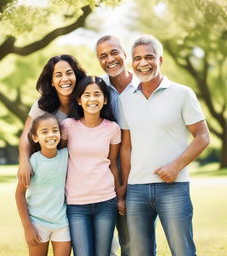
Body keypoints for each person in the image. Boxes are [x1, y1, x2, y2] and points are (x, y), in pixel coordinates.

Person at [119, 34, 210, 256]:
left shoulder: (182, 93)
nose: (143, 63)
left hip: (174, 188)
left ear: (160, 60)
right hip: (136, 190)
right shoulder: (125, 98)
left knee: (183, 252)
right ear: (132, 62)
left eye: (149, 57)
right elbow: (126, 147)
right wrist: (123, 187)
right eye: (137, 58)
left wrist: (175, 166)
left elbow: (202, 137)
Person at [61, 76, 124, 256]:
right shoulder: (68, 127)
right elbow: (61, 162)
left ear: (104, 100)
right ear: (79, 100)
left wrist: (119, 197)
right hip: (76, 204)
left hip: (106, 201)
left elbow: (113, 164)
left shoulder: (112, 128)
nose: (92, 99)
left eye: (97, 94)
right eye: (86, 95)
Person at [17, 55, 86, 187]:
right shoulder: (42, 105)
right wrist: (24, 162)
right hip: (50, 170)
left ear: (76, 76)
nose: (64, 79)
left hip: (79, 174)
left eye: (69, 73)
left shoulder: (86, 101)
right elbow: (26, 134)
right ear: (52, 82)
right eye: (58, 75)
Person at [96, 35, 136, 256]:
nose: (109, 59)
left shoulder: (144, 85)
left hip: (138, 174)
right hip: (104, 175)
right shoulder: (98, 89)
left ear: (124, 55)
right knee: (104, 246)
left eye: (114, 52)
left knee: (134, 244)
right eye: (103, 56)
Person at [15, 113, 71, 256]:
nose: (51, 135)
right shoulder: (32, 162)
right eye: (44, 132)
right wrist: (28, 227)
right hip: (37, 223)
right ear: (35, 137)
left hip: (61, 223)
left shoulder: (66, 155)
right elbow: (19, 194)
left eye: (55, 130)